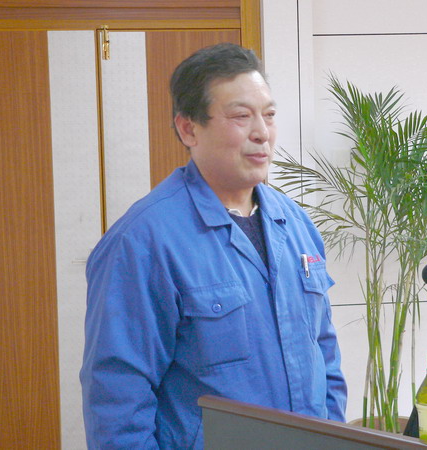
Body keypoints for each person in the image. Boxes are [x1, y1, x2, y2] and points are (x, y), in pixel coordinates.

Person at [80, 43, 347, 449]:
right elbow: (117, 399)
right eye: (241, 116)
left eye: (269, 115)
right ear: (188, 129)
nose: (262, 133)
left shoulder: (295, 225)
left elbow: (324, 354)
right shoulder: (143, 241)